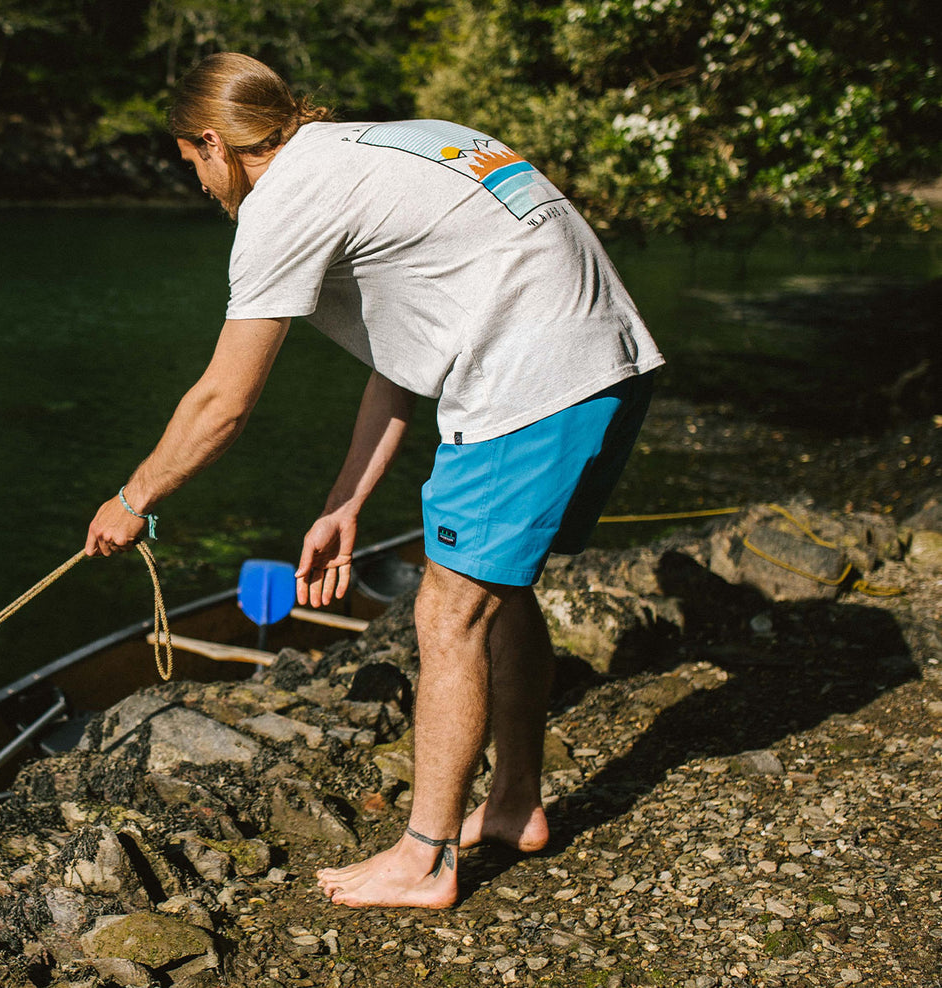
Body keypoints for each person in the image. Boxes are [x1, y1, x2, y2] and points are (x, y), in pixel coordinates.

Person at [85, 52, 664, 909]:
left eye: (192, 165)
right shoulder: (379, 146)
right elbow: (405, 358)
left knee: (447, 608)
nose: (201, 186)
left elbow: (223, 402)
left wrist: (134, 499)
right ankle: (513, 807)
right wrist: (346, 501)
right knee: (495, 590)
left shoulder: (281, 206)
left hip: (536, 372)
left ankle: (425, 857)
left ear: (213, 142)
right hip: (607, 356)